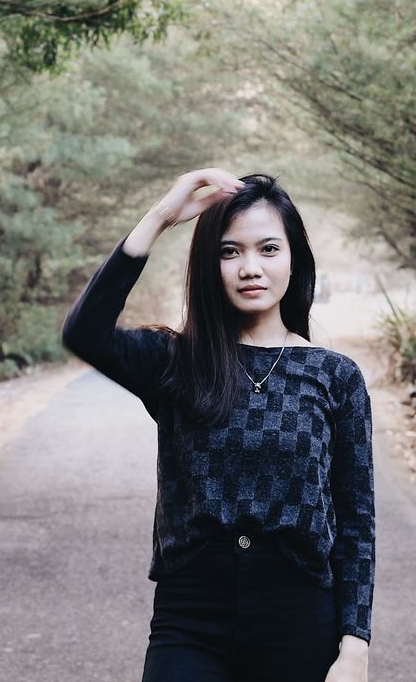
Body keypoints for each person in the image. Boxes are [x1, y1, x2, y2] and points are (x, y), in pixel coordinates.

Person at [61, 168, 375, 682]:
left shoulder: (335, 376)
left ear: (295, 260)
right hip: (191, 620)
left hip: (299, 617)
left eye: (268, 249)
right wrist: (161, 216)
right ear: (211, 266)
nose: (250, 267)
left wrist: (354, 647)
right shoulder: (176, 361)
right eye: (230, 252)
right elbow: (85, 331)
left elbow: (356, 519)